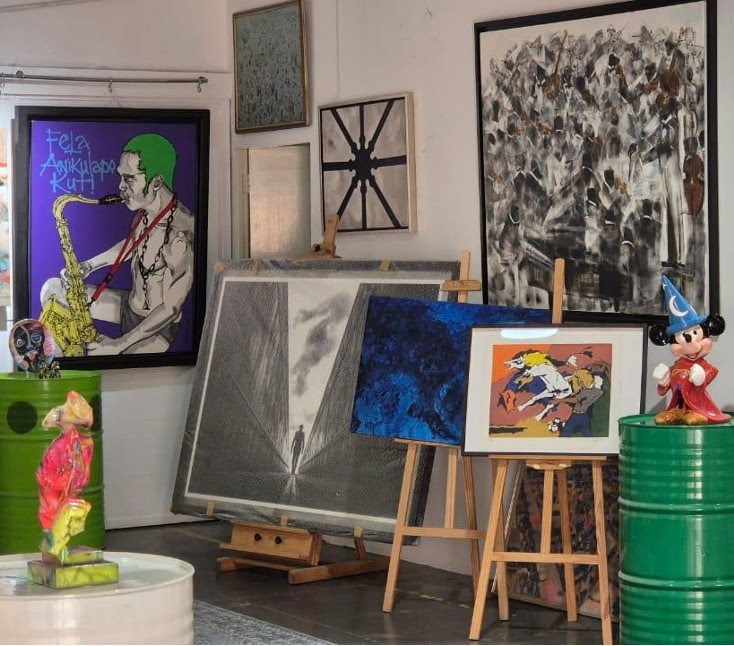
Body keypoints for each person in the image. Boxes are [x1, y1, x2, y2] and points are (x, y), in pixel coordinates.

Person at [41, 133, 195, 355]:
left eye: (129, 179)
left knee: (93, 355)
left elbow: (171, 308)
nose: (121, 186)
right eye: (121, 177)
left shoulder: (181, 236)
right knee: (52, 289)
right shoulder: (146, 213)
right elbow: (131, 243)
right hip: (128, 307)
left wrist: (118, 344)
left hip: (156, 331)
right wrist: (89, 265)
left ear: (157, 182)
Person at [649, 276, 729, 425]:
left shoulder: (706, 367)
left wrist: (700, 378)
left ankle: (695, 413)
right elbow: (664, 389)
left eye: (695, 334)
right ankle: (676, 413)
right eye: (681, 338)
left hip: (699, 407)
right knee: (664, 418)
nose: (690, 345)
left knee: (692, 419)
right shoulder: (675, 368)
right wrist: (663, 379)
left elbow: (704, 381)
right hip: (677, 407)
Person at [36, 391, 94, 562]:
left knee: (58, 517)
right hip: (54, 489)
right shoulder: (64, 444)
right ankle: (53, 549)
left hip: (60, 490)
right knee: (52, 517)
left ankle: (53, 548)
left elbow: (78, 474)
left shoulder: (79, 443)